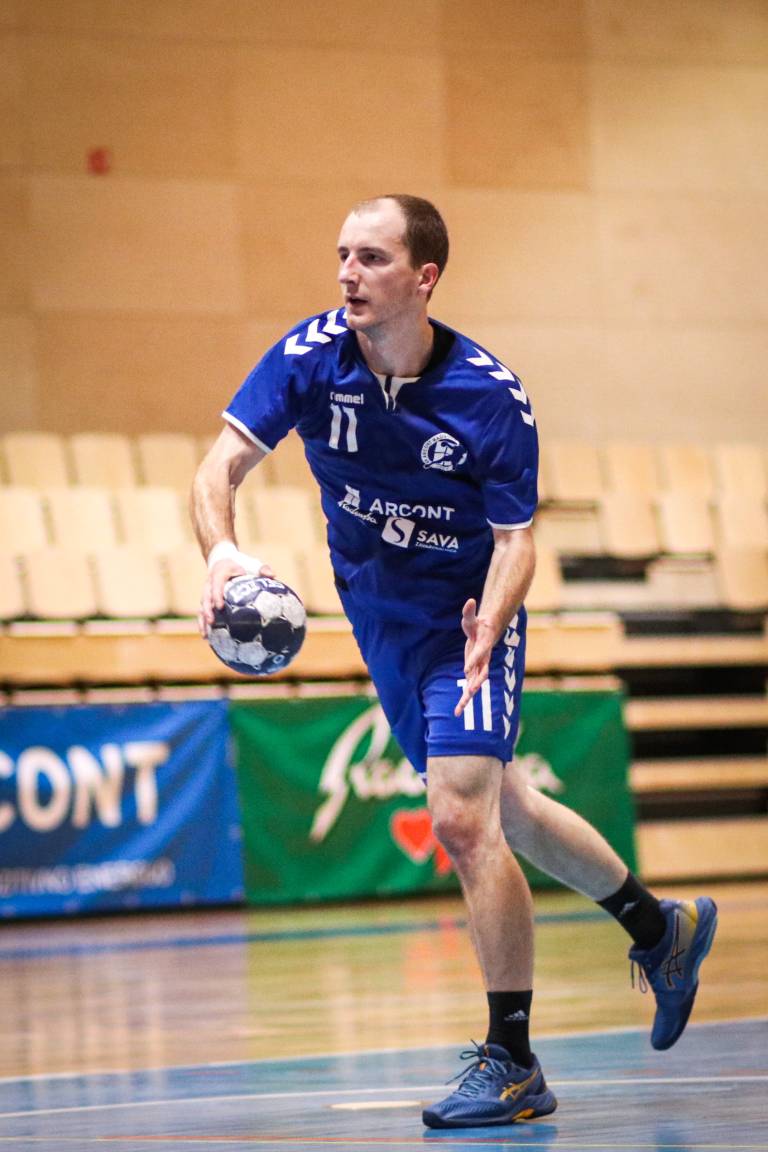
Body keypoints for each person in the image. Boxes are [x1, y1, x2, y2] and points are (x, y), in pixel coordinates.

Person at [191, 194, 718, 1130]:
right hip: (379, 621)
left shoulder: (489, 395)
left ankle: (513, 1061)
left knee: (461, 819)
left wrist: (492, 625)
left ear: (423, 277)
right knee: (507, 808)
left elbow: (517, 540)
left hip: (469, 622)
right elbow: (218, 468)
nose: (347, 274)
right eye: (342, 254)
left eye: (372, 258)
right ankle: (660, 929)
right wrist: (223, 554)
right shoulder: (309, 358)